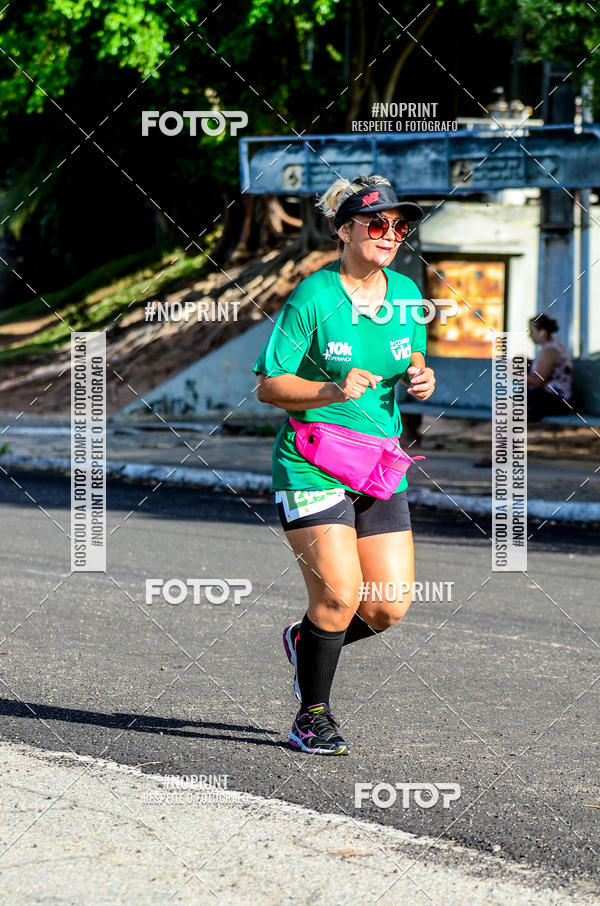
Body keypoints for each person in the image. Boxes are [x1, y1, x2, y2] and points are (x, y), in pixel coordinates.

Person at [252, 174, 436, 755]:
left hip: (380, 463)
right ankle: (312, 715)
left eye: (399, 226)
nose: (391, 234)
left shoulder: (407, 292)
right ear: (345, 231)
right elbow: (268, 386)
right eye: (377, 223)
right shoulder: (313, 296)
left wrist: (422, 374)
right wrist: (331, 391)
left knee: (386, 605)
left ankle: (307, 641)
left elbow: (411, 349)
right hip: (313, 463)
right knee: (338, 598)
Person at [527, 314, 573, 421]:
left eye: (532, 331)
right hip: (552, 398)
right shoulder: (551, 348)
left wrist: (513, 371)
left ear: (542, 332)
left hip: (557, 401)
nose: (530, 335)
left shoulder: (550, 351)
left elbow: (537, 381)